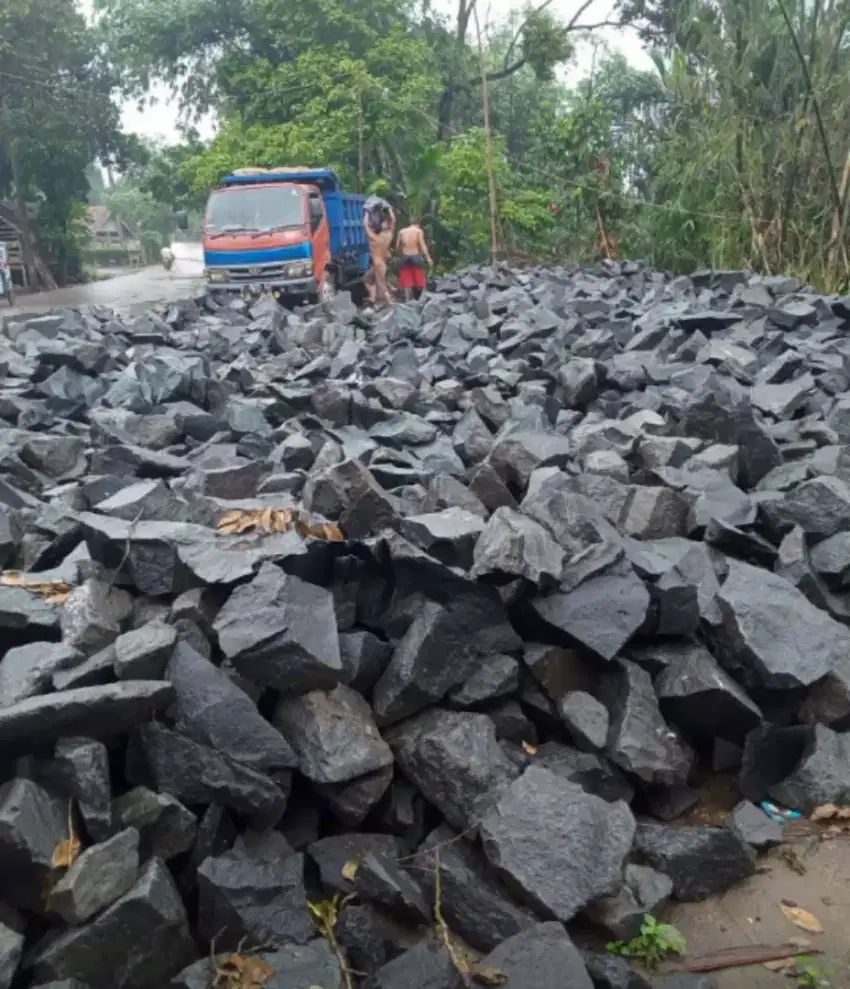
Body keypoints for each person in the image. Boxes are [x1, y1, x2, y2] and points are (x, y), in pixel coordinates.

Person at [363, 203, 395, 306]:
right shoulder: (388, 235)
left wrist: (367, 212)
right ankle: (372, 298)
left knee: (381, 285)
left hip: (378, 264)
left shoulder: (375, 238)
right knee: (367, 278)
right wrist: (390, 209)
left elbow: (365, 225)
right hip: (382, 263)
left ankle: (390, 302)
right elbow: (393, 221)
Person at [396, 218, 432, 300]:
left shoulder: (401, 232)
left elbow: (397, 247)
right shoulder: (418, 231)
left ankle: (408, 301)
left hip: (405, 257)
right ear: (418, 225)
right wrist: (428, 258)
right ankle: (422, 300)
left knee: (407, 281)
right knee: (420, 279)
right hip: (415, 256)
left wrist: (403, 251)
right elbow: (422, 245)